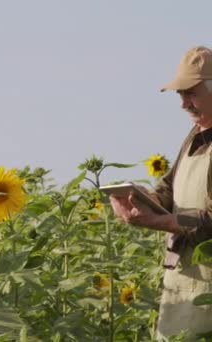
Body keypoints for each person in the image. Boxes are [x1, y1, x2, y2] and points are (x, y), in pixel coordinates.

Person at [110, 46, 212, 341]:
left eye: (191, 93)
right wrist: (142, 201)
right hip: (182, 277)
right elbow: (168, 188)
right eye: (180, 95)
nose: (184, 104)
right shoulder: (195, 134)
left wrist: (160, 222)